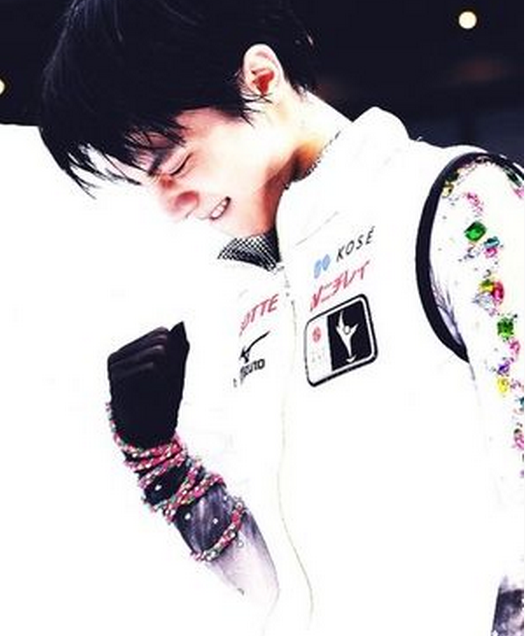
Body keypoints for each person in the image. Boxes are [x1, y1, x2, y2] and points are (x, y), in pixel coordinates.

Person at [38, 0, 524, 634]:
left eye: (175, 163)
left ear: (261, 79)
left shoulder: (459, 206)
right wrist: (156, 456)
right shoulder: (237, 298)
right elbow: (269, 586)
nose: (170, 206)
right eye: (143, 182)